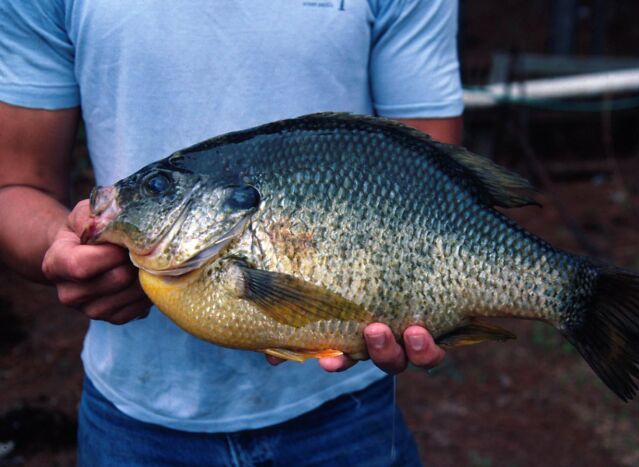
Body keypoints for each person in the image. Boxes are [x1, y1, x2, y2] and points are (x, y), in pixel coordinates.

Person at [0, 1, 464, 465]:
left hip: (347, 414)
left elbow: (429, 183)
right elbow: (16, 186)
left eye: (158, 187)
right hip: (134, 423)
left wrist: (414, 288)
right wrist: (60, 247)